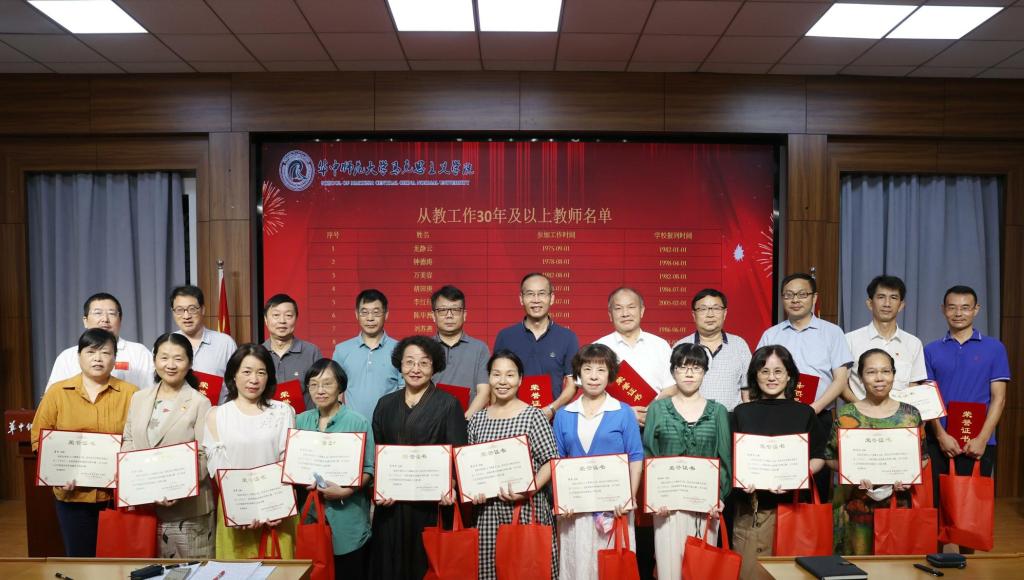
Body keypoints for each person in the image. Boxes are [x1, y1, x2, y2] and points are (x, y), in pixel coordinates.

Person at [31, 328, 138, 557]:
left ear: (115, 358)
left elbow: (140, 441)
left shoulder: (131, 394)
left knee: (118, 562)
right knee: (80, 559)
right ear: (79, 356)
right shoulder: (58, 392)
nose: (98, 358)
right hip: (72, 495)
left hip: (116, 498)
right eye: (91, 352)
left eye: (105, 353)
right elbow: (39, 437)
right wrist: (57, 473)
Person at [369, 335, 468, 579]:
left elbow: (458, 454)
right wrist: (380, 489)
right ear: (400, 365)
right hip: (391, 505)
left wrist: (450, 486)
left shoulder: (449, 404)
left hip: (431, 505)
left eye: (424, 363)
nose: (416, 369)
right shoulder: (384, 404)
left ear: (434, 367)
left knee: (425, 566)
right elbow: (378, 453)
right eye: (409, 362)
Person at [924, 285, 1010, 549]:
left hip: (979, 442)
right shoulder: (931, 350)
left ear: (976, 310)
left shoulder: (995, 348)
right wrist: (940, 435)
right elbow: (928, 397)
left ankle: (966, 561)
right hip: (939, 440)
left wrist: (983, 438)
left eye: (965, 307)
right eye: (952, 307)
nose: (958, 313)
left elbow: (999, 398)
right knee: (937, 505)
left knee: (970, 509)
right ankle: (937, 558)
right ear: (943, 310)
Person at [731, 345, 827, 578]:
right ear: (755, 376)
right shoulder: (741, 412)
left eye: (778, 371)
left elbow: (818, 456)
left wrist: (797, 476)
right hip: (752, 510)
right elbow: (732, 457)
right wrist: (741, 479)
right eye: (764, 371)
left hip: (794, 509)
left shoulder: (804, 412)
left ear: (789, 375)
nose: (771, 377)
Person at [552, 343, 643, 580]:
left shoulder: (623, 412)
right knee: (577, 567)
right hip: (576, 512)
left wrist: (629, 497)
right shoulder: (563, 415)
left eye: (601, 370)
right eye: (587, 369)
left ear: (610, 374)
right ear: (578, 373)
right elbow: (558, 461)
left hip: (614, 509)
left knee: (611, 570)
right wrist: (562, 502)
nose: (594, 376)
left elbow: (635, 456)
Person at [757, 273, 853, 497]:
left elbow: (840, 380)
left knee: (816, 483)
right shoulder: (771, 334)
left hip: (818, 416)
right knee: (778, 479)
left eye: (802, 294)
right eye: (789, 295)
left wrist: (813, 409)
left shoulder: (832, 333)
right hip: (779, 417)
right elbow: (758, 374)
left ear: (814, 297)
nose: (795, 300)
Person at [121, 333, 215, 558]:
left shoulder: (200, 402)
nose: (170, 365)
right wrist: (135, 482)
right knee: (150, 570)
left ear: (189, 363)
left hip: (188, 510)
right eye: (164, 357)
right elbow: (129, 441)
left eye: (178, 359)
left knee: (190, 571)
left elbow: (205, 454)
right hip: (145, 507)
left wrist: (177, 489)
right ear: (154, 360)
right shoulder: (139, 398)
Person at [642, 343, 732, 580]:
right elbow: (649, 454)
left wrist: (720, 497)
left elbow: (725, 459)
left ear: (704, 372)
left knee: (701, 570)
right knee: (669, 569)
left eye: (696, 367)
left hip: (706, 506)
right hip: (666, 507)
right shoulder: (657, 409)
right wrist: (654, 498)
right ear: (673, 372)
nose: (689, 373)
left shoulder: (718, 411)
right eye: (682, 367)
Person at [468, 350, 559, 580]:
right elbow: (470, 465)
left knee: (527, 570)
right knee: (490, 571)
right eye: (496, 374)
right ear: (489, 378)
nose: (502, 381)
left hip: (526, 508)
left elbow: (551, 461)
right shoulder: (477, 419)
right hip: (488, 512)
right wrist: (473, 490)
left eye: (510, 375)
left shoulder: (533, 416)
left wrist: (527, 489)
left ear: (520, 380)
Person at [825, 348, 925, 555]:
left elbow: (923, 457)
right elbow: (829, 458)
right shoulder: (846, 415)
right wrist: (851, 473)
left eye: (885, 371)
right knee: (854, 563)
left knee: (894, 564)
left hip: (897, 502)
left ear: (893, 375)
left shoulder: (910, 415)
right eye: (871, 372)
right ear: (861, 378)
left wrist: (908, 476)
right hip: (853, 506)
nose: (879, 378)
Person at [203, 344, 297, 559]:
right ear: (233, 375)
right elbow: (217, 468)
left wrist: (276, 508)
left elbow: (288, 462)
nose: (254, 379)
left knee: (280, 570)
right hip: (235, 510)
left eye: (261, 372)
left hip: (277, 512)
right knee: (236, 571)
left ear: (269, 377)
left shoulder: (283, 411)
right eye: (246, 372)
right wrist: (241, 511)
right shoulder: (216, 415)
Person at [295, 359, 374, 579]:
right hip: (311, 516)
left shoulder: (358, 422)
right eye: (313, 384)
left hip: (348, 520)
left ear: (340, 386)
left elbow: (369, 468)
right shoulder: (300, 421)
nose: (320, 390)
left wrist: (345, 491)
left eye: (327, 384)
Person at [494, 273, 580, 420]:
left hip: (552, 420)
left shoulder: (568, 337)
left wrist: (551, 409)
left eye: (541, 294)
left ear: (552, 298)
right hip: (512, 420)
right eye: (530, 294)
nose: (536, 300)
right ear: (521, 299)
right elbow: (495, 381)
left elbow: (572, 385)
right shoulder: (505, 336)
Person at [595, 287, 674, 425]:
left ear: (642, 311)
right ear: (610, 314)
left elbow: (672, 386)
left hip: (656, 423)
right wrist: (625, 413)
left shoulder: (660, 345)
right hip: (611, 425)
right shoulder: (598, 348)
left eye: (631, 307)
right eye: (618, 308)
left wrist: (651, 410)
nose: (625, 313)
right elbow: (590, 392)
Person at [46, 292, 154, 390]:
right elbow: (54, 396)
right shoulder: (67, 357)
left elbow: (152, 391)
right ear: (85, 321)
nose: (105, 319)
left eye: (111, 313)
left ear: (120, 320)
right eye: (98, 313)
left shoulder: (139, 352)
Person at [846, 275, 927, 399]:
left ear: (901, 305)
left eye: (893, 298)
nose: (887, 304)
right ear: (870, 303)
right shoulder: (849, 340)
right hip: (860, 410)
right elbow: (841, 384)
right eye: (881, 297)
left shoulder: (914, 343)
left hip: (901, 411)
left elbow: (914, 385)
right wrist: (860, 407)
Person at [674, 288, 752, 412]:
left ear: (725, 313)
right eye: (703, 309)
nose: (710, 314)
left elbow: (747, 391)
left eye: (716, 308)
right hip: (690, 417)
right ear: (694, 315)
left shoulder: (739, 345)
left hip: (730, 418)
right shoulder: (681, 346)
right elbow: (673, 389)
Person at [332, 289, 402, 422]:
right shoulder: (342, 350)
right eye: (364, 312)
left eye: (376, 312)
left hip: (389, 425)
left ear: (386, 314)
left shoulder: (400, 349)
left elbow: (404, 390)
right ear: (356, 315)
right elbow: (335, 391)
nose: (370, 318)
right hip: (352, 426)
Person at [429, 285, 491, 419]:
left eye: (455, 310)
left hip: (470, 422)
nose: (449, 315)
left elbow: (484, 392)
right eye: (442, 310)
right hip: (431, 422)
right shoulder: (424, 348)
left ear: (464, 315)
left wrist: (463, 420)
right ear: (433, 315)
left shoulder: (480, 348)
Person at [170, 285, 237, 403]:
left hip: (217, 412)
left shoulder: (225, 344)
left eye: (192, 309)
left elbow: (237, 384)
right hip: (176, 413)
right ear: (173, 312)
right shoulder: (166, 344)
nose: (186, 316)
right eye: (179, 310)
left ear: (203, 310)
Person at [262, 293, 323, 409]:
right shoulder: (258, 354)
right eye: (276, 315)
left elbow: (322, 390)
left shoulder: (311, 352)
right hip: (266, 418)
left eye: (288, 315)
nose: (282, 321)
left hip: (304, 419)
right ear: (266, 319)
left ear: (296, 319)